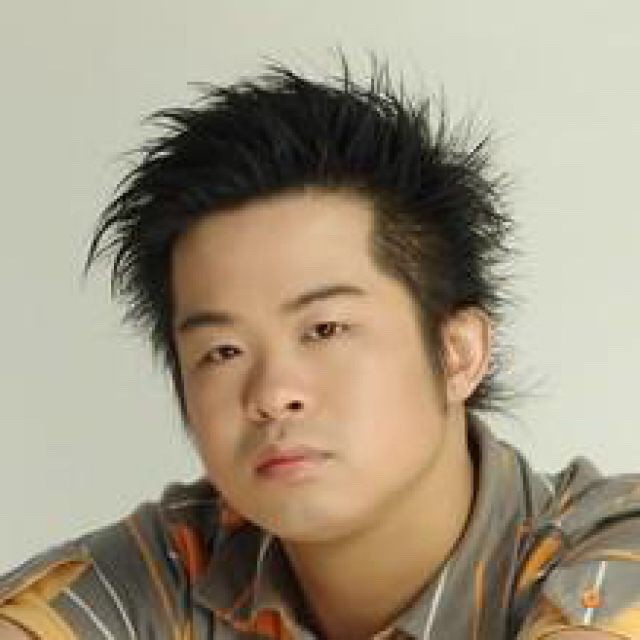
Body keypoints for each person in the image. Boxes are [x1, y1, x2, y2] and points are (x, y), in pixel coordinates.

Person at [1, 53, 639, 640]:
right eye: (222, 351)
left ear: (458, 352)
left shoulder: (611, 552)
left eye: (324, 330)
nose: (273, 394)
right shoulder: (169, 568)